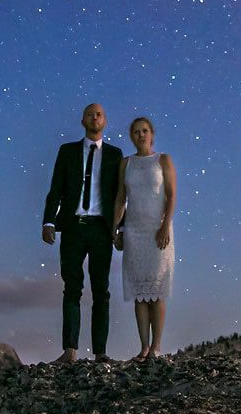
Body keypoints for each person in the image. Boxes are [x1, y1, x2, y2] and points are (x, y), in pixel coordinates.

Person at [41, 103, 123, 362]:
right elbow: (56, 187)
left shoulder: (114, 154)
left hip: (101, 228)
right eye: (90, 114)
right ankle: (70, 351)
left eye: (99, 114)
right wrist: (48, 222)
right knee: (72, 288)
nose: (94, 117)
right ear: (82, 120)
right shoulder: (67, 151)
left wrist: (119, 228)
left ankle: (100, 352)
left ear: (105, 121)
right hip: (73, 226)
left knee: (101, 290)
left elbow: (120, 195)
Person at [112, 115, 176, 359]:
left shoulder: (163, 160)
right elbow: (121, 198)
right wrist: (115, 229)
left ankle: (157, 346)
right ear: (131, 136)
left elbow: (171, 196)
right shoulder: (126, 163)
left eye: (145, 130)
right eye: (136, 131)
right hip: (134, 231)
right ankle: (144, 346)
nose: (141, 135)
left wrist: (165, 226)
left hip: (158, 230)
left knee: (156, 290)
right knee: (139, 292)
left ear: (152, 134)